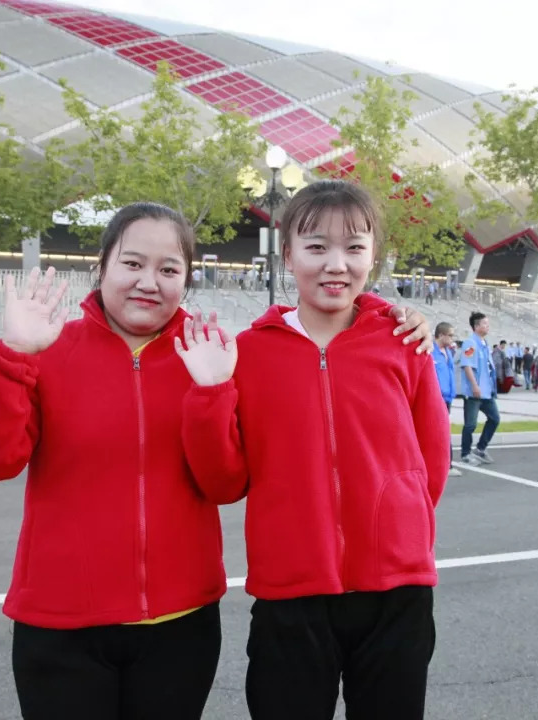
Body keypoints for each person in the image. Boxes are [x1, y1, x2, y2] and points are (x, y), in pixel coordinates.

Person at [0, 201, 434, 720]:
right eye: (132, 264)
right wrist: (14, 355)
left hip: (179, 625)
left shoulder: (209, 357)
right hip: (61, 621)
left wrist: (210, 391)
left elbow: (226, 482)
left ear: (188, 279)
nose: (148, 282)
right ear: (102, 266)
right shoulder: (48, 350)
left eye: (169, 269)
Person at [177, 181, 447, 720]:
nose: (336, 264)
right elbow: (224, 483)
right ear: (287, 255)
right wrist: (209, 394)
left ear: (374, 255)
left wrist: (398, 525)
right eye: (316, 246)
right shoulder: (249, 353)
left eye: (354, 247)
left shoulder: (403, 344)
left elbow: (431, 463)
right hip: (290, 595)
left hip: (397, 591)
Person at [459, 311, 500, 466]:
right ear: (476, 326)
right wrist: (474, 386)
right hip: (474, 392)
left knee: (495, 418)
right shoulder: (471, 343)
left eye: (488, 324)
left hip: (486, 392)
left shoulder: (484, 344)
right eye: (484, 324)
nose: (487, 326)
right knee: (470, 424)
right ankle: (465, 453)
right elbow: (467, 366)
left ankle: (480, 448)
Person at [433, 322, 461, 476]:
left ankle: (444, 464)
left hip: (447, 397)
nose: (452, 338)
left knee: (442, 430)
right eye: (450, 335)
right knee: (442, 430)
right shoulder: (430, 352)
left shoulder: (448, 353)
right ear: (441, 335)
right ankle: (447, 465)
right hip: (436, 397)